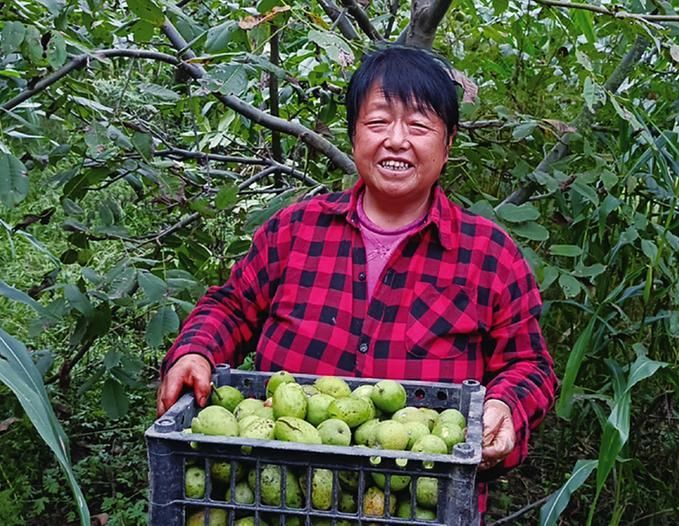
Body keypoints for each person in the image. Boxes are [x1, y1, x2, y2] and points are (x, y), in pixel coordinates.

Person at [156, 45, 556, 514]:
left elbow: (529, 365)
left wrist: (505, 410)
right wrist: (196, 351)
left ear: (447, 146)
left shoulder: (490, 255)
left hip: (423, 503)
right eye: (379, 122)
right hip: (279, 499)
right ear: (353, 137)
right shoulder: (294, 231)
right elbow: (231, 305)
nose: (397, 140)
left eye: (420, 125)